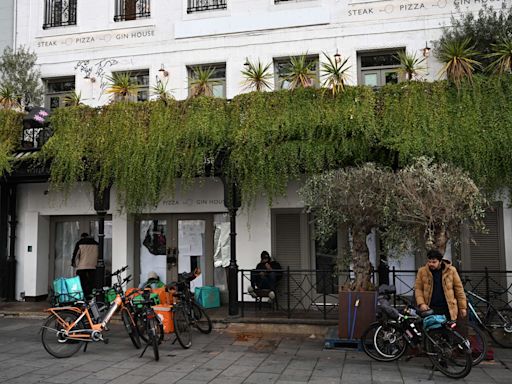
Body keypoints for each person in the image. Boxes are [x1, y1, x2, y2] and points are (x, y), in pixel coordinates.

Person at [414, 249, 467, 321]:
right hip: (430, 308)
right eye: (429, 262)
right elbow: (418, 289)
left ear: (440, 261)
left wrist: (462, 307)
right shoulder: (422, 271)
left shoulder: (451, 270)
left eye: (434, 262)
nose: (431, 264)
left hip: (447, 308)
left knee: (448, 330)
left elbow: (459, 289)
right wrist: (421, 303)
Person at [71, 233, 99, 298]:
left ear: (82, 237)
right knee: (92, 282)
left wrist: (74, 264)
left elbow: (75, 255)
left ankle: (83, 296)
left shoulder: (80, 243)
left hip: (82, 267)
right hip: (93, 266)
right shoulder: (96, 243)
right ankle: (91, 296)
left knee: (82, 283)